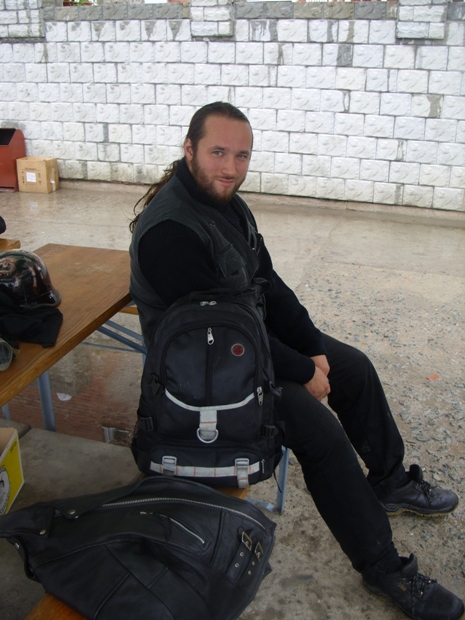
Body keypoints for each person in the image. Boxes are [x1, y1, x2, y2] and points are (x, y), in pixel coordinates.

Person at [129, 102, 464, 620]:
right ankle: (385, 569)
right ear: (189, 149)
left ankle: (391, 481)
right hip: (202, 377)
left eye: (242, 156)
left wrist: (313, 349)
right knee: (319, 433)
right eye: (218, 152)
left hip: (242, 342)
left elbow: (269, 285)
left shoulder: (228, 204)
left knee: (353, 367)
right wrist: (304, 372)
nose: (231, 168)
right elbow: (226, 342)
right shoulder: (169, 232)